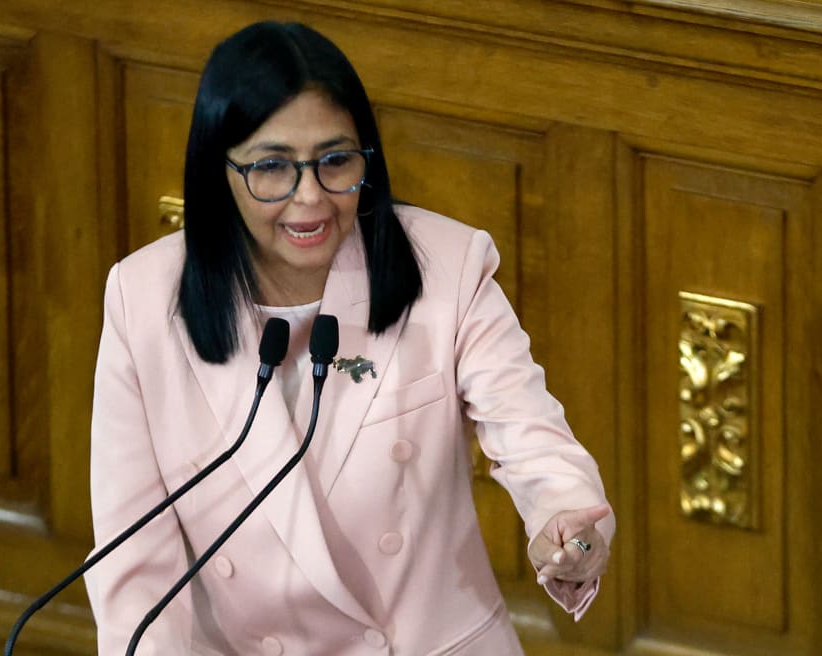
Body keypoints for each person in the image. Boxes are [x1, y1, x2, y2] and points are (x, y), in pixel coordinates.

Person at [85, 20, 615, 656]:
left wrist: (571, 532)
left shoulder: (448, 267)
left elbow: (539, 450)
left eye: (336, 161)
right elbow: (134, 570)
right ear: (218, 172)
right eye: (273, 168)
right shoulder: (142, 300)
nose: (309, 198)